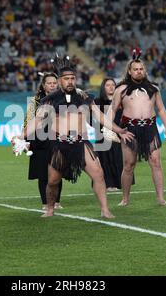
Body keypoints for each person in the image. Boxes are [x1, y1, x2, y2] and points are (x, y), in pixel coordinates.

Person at [14, 55, 134, 218]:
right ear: (60, 81)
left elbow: (100, 117)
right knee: (52, 182)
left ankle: (105, 209)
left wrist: (119, 130)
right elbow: (37, 121)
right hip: (59, 145)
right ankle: (50, 208)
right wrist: (21, 136)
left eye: (72, 78)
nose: (70, 81)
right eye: (66, 79)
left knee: (98, 174)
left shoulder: (84, 97)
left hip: (81, 143)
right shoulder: (50, 100)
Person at [111, 50, 166, 207]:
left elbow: (162, 109)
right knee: (129, 165)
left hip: (150, 129)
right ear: (130, 72)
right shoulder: (121, 89)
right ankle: (125, 199)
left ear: (144, 71)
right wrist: (116, 130)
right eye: (135, 69)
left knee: (156, 163)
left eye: (141, 69)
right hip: (130, 129)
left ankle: (161, 199)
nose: (139, 71)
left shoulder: (153, 88)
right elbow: (111, 112)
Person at [24, 72, 63, 210]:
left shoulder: (63, 99)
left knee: (58, 170)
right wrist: (26, 140)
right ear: (43, 85)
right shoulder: (35, 101)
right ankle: (45, 203)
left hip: (57, 138)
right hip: (38, 140)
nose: (52, 85)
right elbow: (28, 121)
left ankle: (57, 201)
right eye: (49, 83)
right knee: (42, 173)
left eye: (54, 83)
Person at [94, 78, 135, 192]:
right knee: (105, 160)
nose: (111, 87)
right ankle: (108, 184)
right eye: (108, 85)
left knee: (119, 159)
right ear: (103, 87)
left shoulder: (121, 101)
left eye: (113, 85)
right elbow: (95, 119)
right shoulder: (97, 102)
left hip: (120, 134)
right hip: (103, 135)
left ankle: (120, 183)